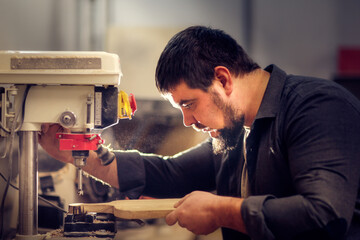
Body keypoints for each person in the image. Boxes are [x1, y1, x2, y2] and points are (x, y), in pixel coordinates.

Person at [39, 26, 360, 240]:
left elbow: (324, 215)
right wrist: (79, 157)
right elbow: (172, 173)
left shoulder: (316, 107)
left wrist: (221, 210)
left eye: (189, 103)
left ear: (223, 79)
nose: (187, 121)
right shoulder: (237, 133)